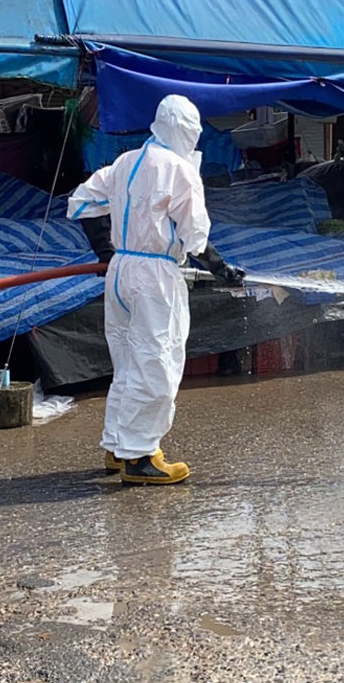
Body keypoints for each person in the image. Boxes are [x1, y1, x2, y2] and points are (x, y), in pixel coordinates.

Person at [67, 95, 244, 485]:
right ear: (186, 131)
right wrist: (221, 267)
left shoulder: (126, 161)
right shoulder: (179, 169)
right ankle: (141, 457)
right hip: (154, 276)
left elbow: (80, 203)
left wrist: (106, 251)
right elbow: (195, 236)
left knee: (129, 362)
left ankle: (118, 446)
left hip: (120, 270)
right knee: (156, 363)